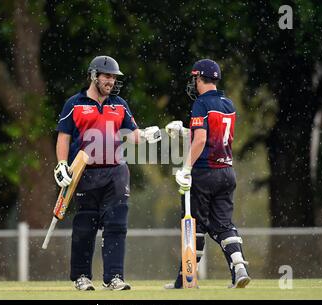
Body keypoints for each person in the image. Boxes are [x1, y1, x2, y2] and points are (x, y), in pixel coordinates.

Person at [54, 55, 161, 291]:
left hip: (116, 173)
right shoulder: (74, 103)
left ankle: (114, 277)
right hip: (85, 173)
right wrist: (62, 164)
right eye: (107, 76)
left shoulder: (119, 104)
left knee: (116, 226)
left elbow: (133, 135)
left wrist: (149, 135)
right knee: (85, 227)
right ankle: (81, 276)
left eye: (114, 77)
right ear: (94, 76)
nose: (111, 81)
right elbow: (63, 137)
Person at [165, 59, 251, 289]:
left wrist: (185, 168)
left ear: (199, 78)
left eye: (195, 78)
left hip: (204, 173)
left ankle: (186, 279)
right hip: (226, 171)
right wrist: (185, 131)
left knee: (196, 226)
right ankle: (239, 265)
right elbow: (214, 135)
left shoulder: (201, 104)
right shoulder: (228, 103)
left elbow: (202, 139)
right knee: (224, 225)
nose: (193, 83)